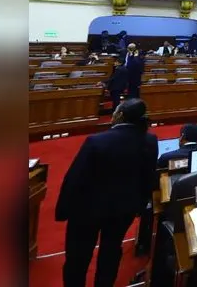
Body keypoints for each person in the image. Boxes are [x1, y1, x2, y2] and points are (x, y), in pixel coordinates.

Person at [57, 99, 157, 287]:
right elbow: (148, 176)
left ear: (120, 115)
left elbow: (75, 179)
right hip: (124, 209)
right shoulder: (150, 141)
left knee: (78, 256)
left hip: (88, 210)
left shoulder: (96, 141)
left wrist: (63, 210)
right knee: (111, 251)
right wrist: (140, 204)